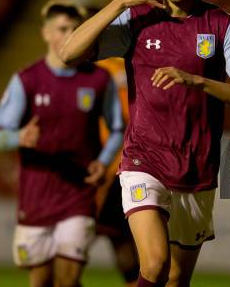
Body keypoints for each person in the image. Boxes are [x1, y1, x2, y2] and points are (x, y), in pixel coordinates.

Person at [58, 0, 230, 286]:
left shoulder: (221, 25)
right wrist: (120, 2)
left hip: (197, 168)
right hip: (144, 160)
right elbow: (69, 52)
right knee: (154, 265)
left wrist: (197, 81)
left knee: (175, 280)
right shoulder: (138, 20)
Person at [0, 0, 124, 287]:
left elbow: (117, 129)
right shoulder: (27, 80)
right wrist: (19, 137)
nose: (69, 35)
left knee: (68, 278)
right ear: (46, 33)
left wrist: (103, 162)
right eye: (62, 29)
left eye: (75, 29)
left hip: (78, 195)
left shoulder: (99, 79)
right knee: (41, 281)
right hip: (36, 195)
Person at [94, 55, 140, 287]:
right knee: (119, 235)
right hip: (108, 164)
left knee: (123, 235)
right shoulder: (98, 68)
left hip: (125, 165)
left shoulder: (140, 61)